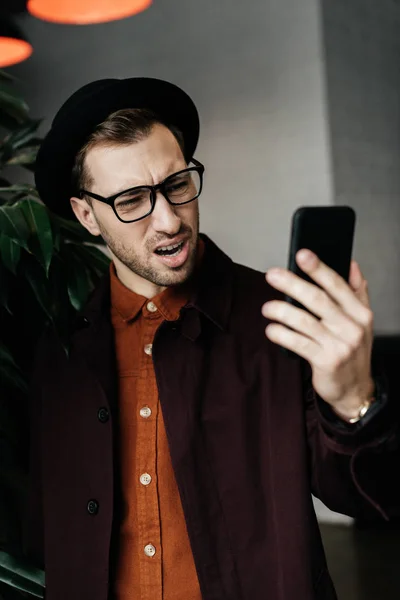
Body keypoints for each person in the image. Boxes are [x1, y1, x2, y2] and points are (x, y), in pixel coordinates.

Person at [26, 77, 399, 600]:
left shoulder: (278, 319)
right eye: (132, 199)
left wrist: (353, 402)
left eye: (177, 184)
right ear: (87, 215)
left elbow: (373, 498)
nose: (169, 219)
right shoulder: (60, 347)